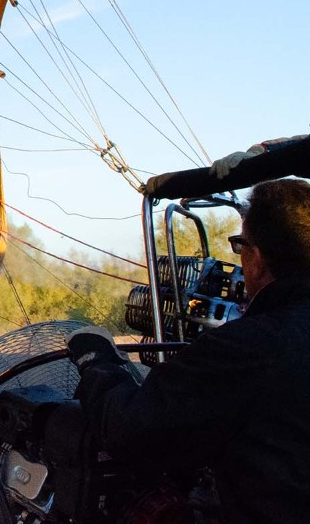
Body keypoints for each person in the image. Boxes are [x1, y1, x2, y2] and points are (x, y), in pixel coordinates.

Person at [66, 178, 310, 524]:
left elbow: (131, 427)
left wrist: (97, 361)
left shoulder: (251, 346)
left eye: (241, 247)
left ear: (256, 258)